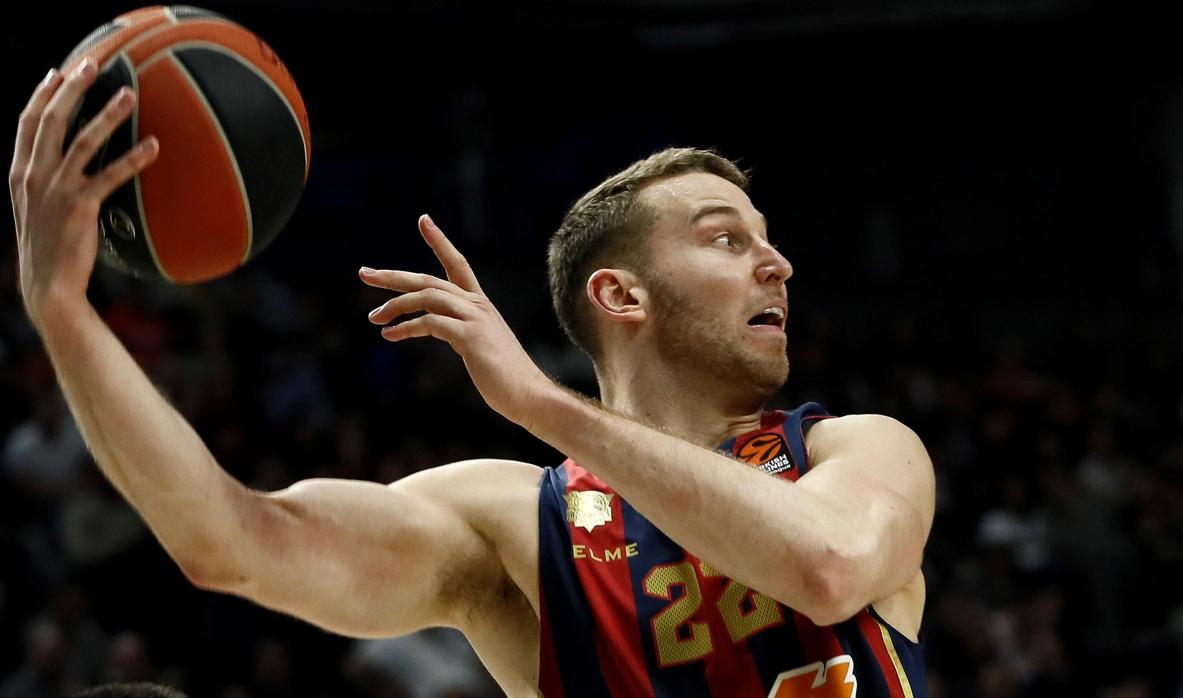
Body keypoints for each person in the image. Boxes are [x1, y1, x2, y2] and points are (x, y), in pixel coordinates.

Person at [10, 61, 935, 696]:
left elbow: (827, 567)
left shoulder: (853, 449)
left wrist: (540, 403)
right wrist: (64, 312)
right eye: (727, 239)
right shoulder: (509, 528)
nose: (777, 265)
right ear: (621, 293)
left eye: (769, 243)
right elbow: (229, 539)